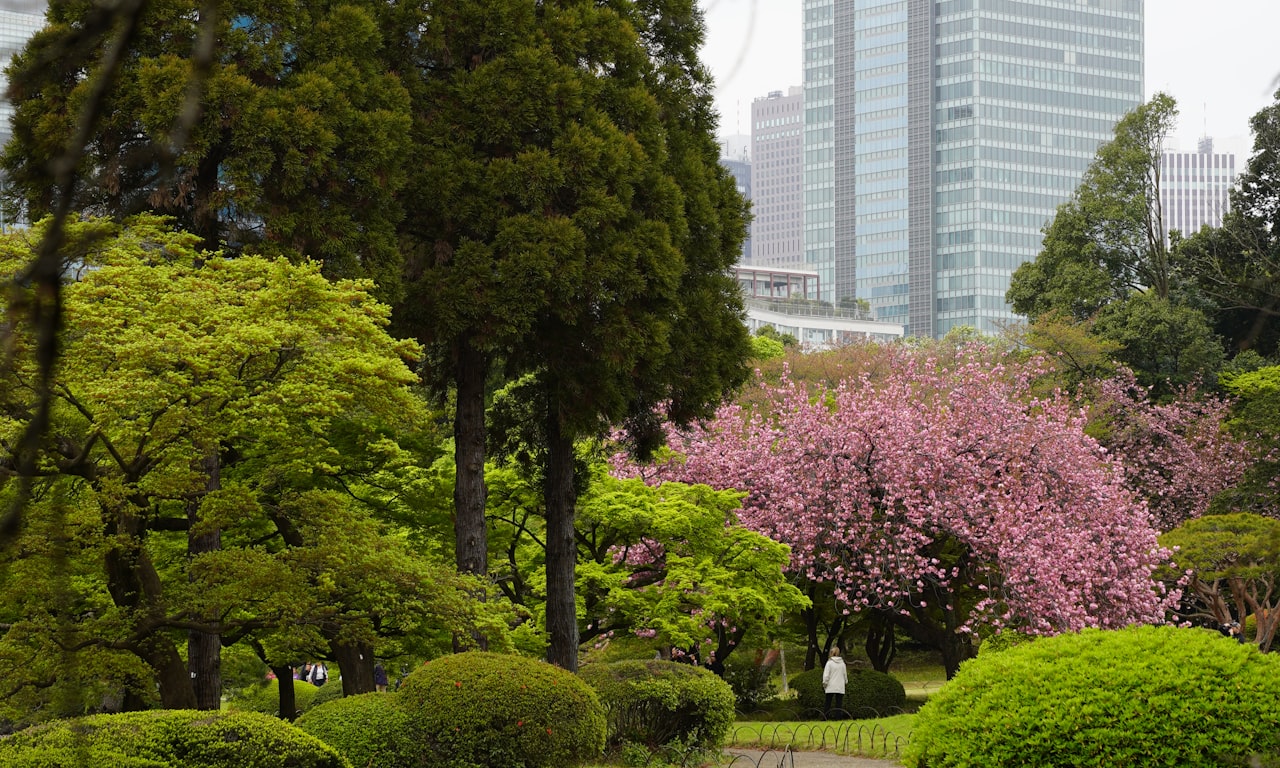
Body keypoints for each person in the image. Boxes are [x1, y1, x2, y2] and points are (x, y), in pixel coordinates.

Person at [822, 646, 848, 719]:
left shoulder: (829, 663)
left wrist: (824, 684)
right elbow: (845, 675)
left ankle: (826, 717)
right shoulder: (842, 664)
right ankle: (838, 717)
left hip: (830, 686)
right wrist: (845, 682)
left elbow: (826, 675)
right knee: (839, 703)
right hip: (840, 686)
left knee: (828, 703)